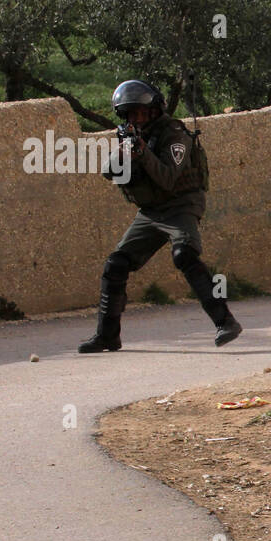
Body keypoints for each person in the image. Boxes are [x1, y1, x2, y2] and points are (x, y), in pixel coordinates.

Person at [78, 79, 242, 353]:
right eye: (131, 115)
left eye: (142, 113)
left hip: (181, 205)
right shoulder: (128, 135)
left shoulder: (175, 135)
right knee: (115, 265)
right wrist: (123, 153)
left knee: (185, 256)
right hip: (150, 211)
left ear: (155, 111)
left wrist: (143, 153)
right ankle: (107, 335)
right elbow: (109, 172)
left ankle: (226, 321)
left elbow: (167, 178)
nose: (137, 119)